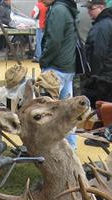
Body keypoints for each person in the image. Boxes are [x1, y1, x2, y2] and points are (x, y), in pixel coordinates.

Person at [40, 0, 78, 148]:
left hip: (56, 67)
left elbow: (54, 41)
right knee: (67, 112)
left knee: (46, 113)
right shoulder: (65, 8)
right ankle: (70, 147)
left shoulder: (58, 10)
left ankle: (48, 148)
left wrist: (44, 60)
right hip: (66, 66)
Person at [84, 0, 112, 82]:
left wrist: (93, 75)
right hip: (106, 72)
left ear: (101, 8)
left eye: (91, 8)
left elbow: (99, 53)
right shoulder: (107, 22)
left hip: (100, 75)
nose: (88, 12)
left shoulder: (102, 26)